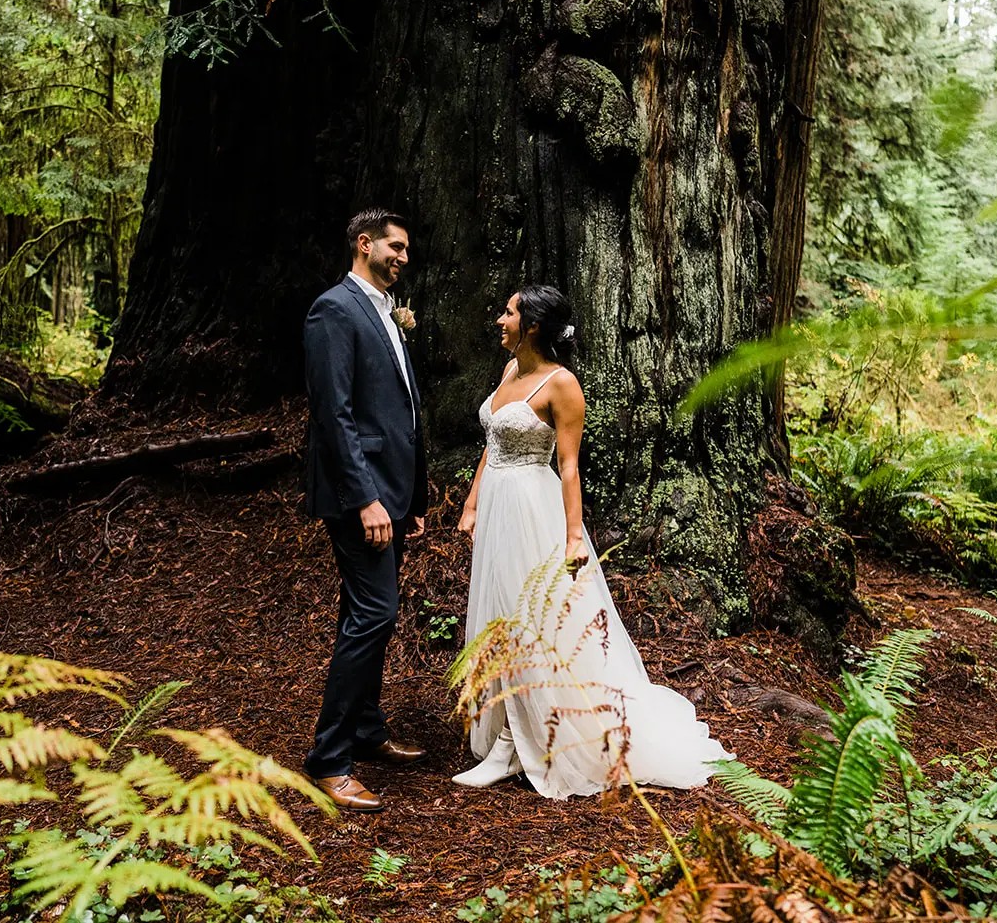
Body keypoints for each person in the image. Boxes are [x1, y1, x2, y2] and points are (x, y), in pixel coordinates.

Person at [454, 285, 731, 798]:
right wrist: (472, 504)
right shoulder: (510, 371)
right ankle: (510, 727)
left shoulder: (562, 385)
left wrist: (575, 534)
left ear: (532, 324)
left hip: (534, 511)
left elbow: (568, 466)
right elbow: (491, 446)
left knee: (530, 620)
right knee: (499, 614)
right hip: (497, 507)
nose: (499, 319)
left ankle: (517, 742)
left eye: (509, 312)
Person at [302, 208, 429, 812]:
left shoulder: (387, 313)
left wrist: (414, 499)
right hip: (360, 498)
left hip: (392, 496)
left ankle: (369, 728)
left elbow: (402, 412)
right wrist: (367, 500)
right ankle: (329, 758)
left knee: (369, 610)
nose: (404, 256)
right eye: (396, 246)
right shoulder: (334, 309)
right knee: (374, 614)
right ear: (364, 244)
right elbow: (336, 416)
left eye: (406, 249)